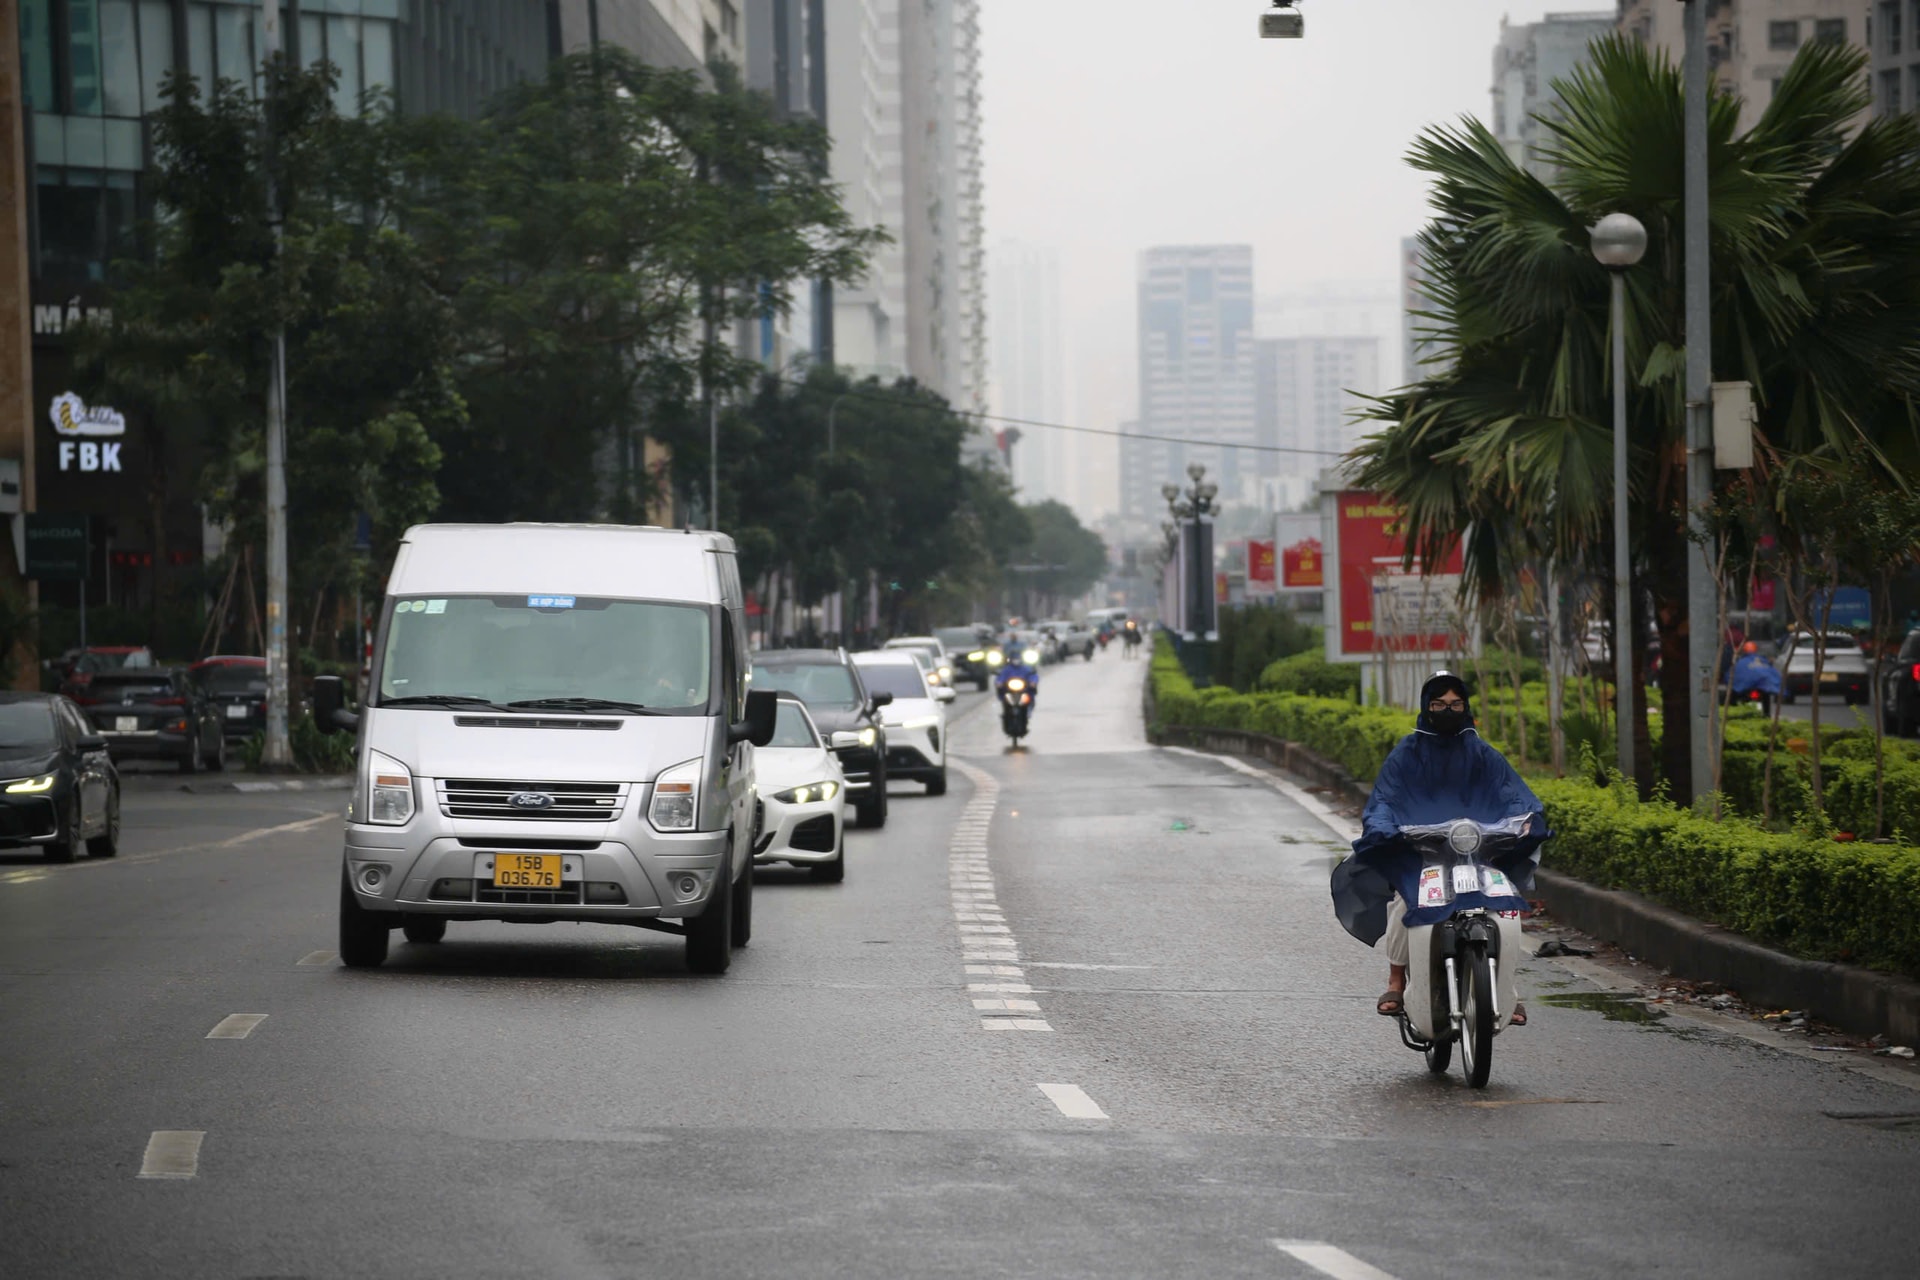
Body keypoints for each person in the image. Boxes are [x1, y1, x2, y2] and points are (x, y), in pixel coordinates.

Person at [1331, 671, 1548, 1027]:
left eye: (1455, 704)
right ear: (1425, 707)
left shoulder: (1482, 753)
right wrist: (1385, 827)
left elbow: (1513, 793)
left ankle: (1507, 988)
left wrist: (1526, 817)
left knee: (1503, 903)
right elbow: (1384, 800)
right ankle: (1396, 981)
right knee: (1406, 900)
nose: (1448, 710)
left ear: (1465, 707)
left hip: (1476, 851)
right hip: (1422, 855)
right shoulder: (1406, 754)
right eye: (1439, 704)